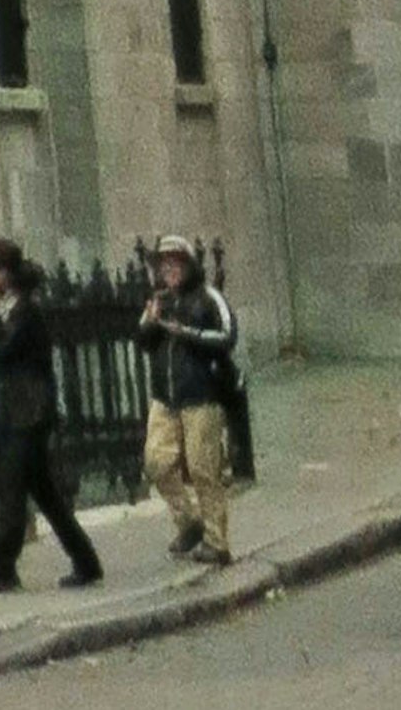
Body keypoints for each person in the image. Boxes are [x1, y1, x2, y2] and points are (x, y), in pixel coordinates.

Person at [0, 238, 103, 594]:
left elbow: (4, 349)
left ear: (2, 272)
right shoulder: (11, 306)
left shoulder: (25, 309)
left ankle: (1, 568)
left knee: (13, 492)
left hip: (26, 412)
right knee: (46, 495)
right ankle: (86, 561)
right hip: (18, 410)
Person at [137, 234, 242, 575]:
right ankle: (189, 521)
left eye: (175, 262)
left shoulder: (208, 298)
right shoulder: (160, 300)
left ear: (188, 264)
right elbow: (143, 342)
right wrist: (151, 321)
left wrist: (185, 332)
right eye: (163, 263)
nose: (168, 269)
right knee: (156, 462)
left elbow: (227, 336)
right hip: (165, 397)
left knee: (203, 469)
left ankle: (217, 542)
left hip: (201, 395)